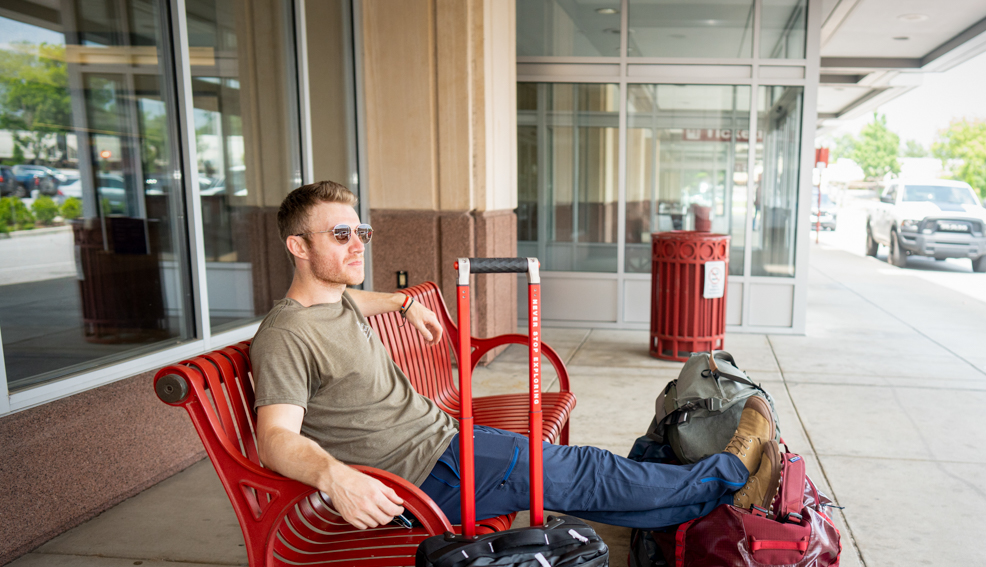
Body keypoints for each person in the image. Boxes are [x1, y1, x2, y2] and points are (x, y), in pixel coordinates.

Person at [250, 181, 780, 531]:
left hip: (447, 444)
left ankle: (715, 500)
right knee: (586, 472)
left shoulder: (335, 298)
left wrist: (402, 303)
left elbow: (353, 298)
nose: (358, 244)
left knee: (579, 482)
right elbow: (274, 439)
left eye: (360, 231)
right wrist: (334, 476)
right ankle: (729, 473)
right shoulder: (285, 336)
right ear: (298, 246)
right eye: (340, 235)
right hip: (424, 480)